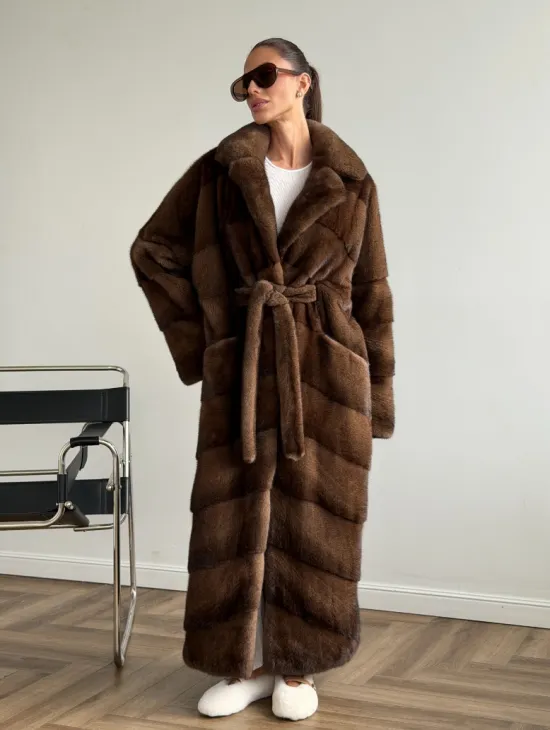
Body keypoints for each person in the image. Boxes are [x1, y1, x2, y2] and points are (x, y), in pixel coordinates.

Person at [130, 37, 395, 722]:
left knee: (313, 517)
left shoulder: (353, 181)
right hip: (245, 366)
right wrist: (209, 345)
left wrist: (376, 398)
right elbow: (152, 251)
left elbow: (372, 294)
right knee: (235, 510)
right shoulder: (220, 173)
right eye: (243, 81)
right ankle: (240, 664)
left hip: (326, 372)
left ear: (303, 82)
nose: (251, 89)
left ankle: (297, 668)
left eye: (264, 75)